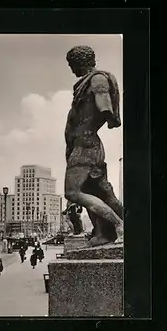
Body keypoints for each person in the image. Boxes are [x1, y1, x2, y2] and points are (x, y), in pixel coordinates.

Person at [64, 45, 124, 247]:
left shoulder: (97, 80)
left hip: (86, 146)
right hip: (81, 146)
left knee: (72, 193)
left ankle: (119, 224)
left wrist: (105, 109)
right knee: (100, 192)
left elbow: (104, 104)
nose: (72, 69)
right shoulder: (84, 84)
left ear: (80, 61)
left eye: (72, 64)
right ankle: (103, 234)